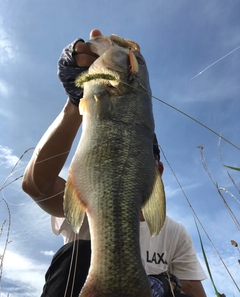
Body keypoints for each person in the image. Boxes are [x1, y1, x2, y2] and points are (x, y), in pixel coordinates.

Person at [22, 29, 207, 297]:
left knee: (171, 289)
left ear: (158, 171)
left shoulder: (174, 232)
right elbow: (36, 186)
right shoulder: (88, 207)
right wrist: (76, 103)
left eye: (143, 152)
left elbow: (193, 289)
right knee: (75, 253)